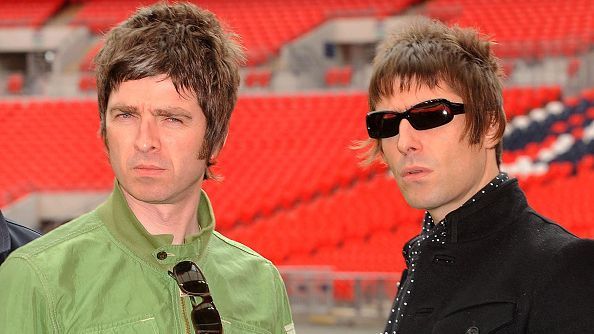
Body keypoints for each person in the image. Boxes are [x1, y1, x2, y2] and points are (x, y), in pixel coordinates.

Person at [0, 3, 295, 333]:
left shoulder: (261, 280)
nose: (145, 141)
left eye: (171, 118)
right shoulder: (37, 276)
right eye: (126, 115)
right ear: (103, 128)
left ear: (216, 137)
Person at [361, 17, 594, 333]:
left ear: (490, 126)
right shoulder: (419, 264)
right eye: (386, 123)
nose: (404, 143)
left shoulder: (563, 266)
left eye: (430, 115)